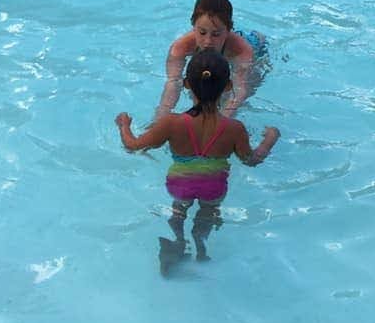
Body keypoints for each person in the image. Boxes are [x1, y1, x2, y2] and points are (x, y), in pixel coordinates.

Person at [117, 50, 280, 274]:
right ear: (228, 87)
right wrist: (270, 139)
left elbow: (133, 146)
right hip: (215, 187)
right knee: (208, 213)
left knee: (178, 212)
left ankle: (178, 240)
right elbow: (251, 160)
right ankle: (201, 249)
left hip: (179, 185)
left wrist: (124, 125)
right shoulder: (234, 129)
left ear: (186, 84)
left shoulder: (171, 123)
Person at [155, 0, 268, 119]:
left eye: (216, 34)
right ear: (193, 27)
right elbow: (173, 83)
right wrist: (160, 119)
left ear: (228, 30)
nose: (208, 41)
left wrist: (219, 122)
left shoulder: (242, 51)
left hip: (256, 48)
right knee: (198, 88)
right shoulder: (180, 48)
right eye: (202, 32)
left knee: (247, 86)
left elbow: (240, 90)